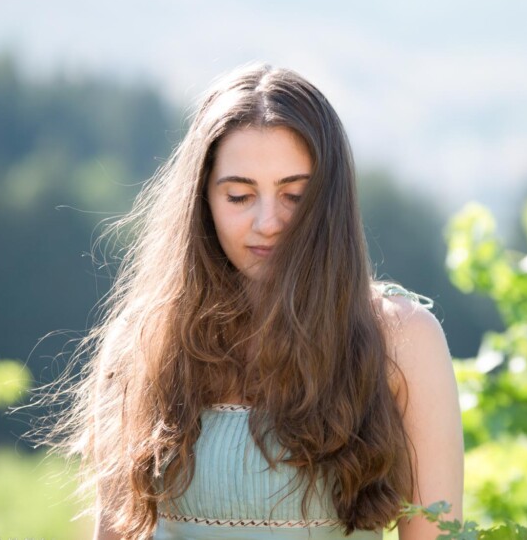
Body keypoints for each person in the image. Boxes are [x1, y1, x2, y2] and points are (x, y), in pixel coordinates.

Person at [36, 63, 463, 540]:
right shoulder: (142, 340)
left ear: (330, 202)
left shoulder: (402, 337)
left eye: (295, 195)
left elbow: (434, 533)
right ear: (203, 202)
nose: (268, 222)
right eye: (239, 196)